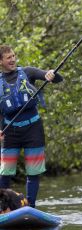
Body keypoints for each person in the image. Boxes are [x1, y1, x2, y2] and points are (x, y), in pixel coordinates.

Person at [0, 45, 63, 207]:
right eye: (8, 57)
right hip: (10, 132)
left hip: (33, 129)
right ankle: (3, 207)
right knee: (5, 172)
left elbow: (57, 79)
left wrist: (51, 75)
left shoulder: (28, 72)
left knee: (33, 172)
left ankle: (30, 207)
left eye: (14, 56)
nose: (13, 59)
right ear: (1, 61)